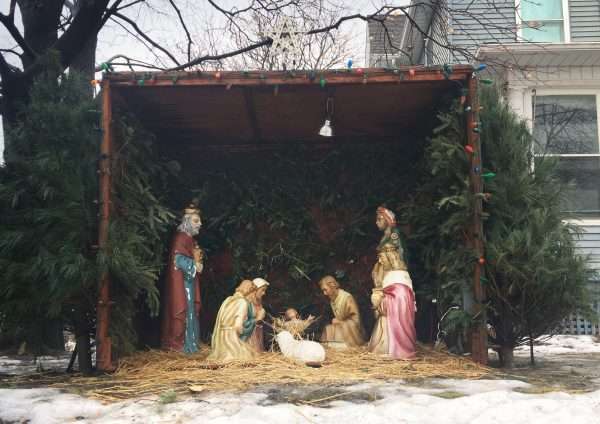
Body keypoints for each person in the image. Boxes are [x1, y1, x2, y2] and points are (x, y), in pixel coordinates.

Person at [161, 204, 204, 353]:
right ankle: (182, 345)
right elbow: (178, 260)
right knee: (184, 310)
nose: (200, 224)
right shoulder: (181, 238)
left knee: (191, 312)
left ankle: (191, 344)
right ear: (187, 222)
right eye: (196, 221)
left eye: (199, 221)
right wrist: (195, 264)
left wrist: (197, 262)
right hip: (183, 284)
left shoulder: (190, 239)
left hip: (190, 282)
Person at [368, 245, 417, 359]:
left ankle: (395, 350)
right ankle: (383, 348)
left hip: (398, 312)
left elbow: (401, 297)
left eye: (381, 257)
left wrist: (380, 300)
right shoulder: (389, 273)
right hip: (390, 310)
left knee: (384, 319)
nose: (380, 261)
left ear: (389, 256)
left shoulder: (399, 274)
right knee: (383, 319)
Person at [208, 280, 258, 362]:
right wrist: (244, 331)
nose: (253, 297)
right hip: (231, 338)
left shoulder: (228, 300)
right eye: (253, 294)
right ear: (249, 291)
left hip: (220, 339)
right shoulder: (242, 302)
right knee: (246, 356)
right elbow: (238, 326)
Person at [318, 275, 365, 348]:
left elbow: (356, 320)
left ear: (332, 286)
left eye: (325, 290)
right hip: (341, 326)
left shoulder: (347, 298)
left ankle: (343, 345)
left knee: (338, 329)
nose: (325, 293)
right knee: (328, 328)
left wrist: (340, 322)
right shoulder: (332, 300)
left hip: (352, 329)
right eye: (323, 291)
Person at [247, 278, 269, 352]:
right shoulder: (246, 303)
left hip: (257, 335)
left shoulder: (259, 303)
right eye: (262, 290)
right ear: (255, 290)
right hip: (248, 338)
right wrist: (258, 318)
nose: (264, 293)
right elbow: (243, 323)